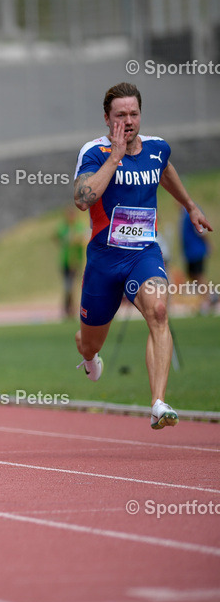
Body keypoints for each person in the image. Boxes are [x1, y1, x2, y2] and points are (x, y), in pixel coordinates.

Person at [72, 82, 212, 429]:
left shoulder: (157, 149)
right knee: (89, 341)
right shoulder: (94, 153)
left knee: (159, 311)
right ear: (107, 118)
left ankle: (158, 403)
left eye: (134, 113)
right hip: (105, 260)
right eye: (120, 115)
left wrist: (190, 206)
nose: (128, 120)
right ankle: (89, 357)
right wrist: (115, 157)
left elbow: (165, 172)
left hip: (143, 254)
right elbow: (82, 199)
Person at [180, 207, 216, 315]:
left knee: (199, 275)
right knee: (192, 275)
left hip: (197, 250)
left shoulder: (192, 210)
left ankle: (208, 300)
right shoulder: (183, 212)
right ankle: (210, 295)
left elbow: (202, 230)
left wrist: (208, 244)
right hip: (190, 252)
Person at [56, 206, 86, 318]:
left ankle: (70, 309)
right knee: (67, 286)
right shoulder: (63, 227)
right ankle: (68, 309)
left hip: (75, 261)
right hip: (65, 261)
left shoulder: (79, 227)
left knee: (70, 286)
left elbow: (81, 239)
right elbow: (56, 236)